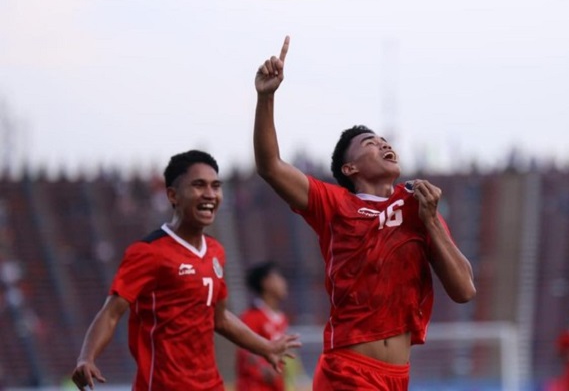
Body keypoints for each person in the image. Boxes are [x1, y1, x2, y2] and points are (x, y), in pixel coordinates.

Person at [253, 36, 476, 390]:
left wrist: (432, 221)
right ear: (350, 169)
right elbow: (270, 166)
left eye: (385, 140)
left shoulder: (420, 207)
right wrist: (266, 97)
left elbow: (464, 290)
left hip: (397, 378)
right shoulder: (334, 204)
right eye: (370, 143)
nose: (384, 144)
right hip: (349, 370)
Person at [71, 150, 301, 390]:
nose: (210, 194)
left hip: (211, 384)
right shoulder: (148, 252)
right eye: (199, 185)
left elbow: (219, 318)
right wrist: (86, 357)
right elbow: (111, 313)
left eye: (215, 186)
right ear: (173, 195)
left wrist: (266, 347)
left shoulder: (215, 252)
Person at [236, 261, 309, 391]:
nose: (284, 283)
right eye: (279, 278)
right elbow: (246, 351)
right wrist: (264, 369)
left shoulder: (282, 318)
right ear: (266, 283)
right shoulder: (251, 317)